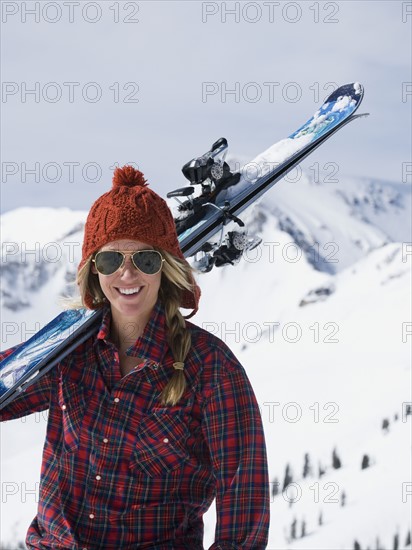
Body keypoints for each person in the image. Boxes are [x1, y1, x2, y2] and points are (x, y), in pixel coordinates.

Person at [0, 166, 270, 549]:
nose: (127, 274)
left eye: (145, 260)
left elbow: (245, 504)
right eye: (111, 261)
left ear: (166, 268)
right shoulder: (68, 354)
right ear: (94, 271)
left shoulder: (211, 368)